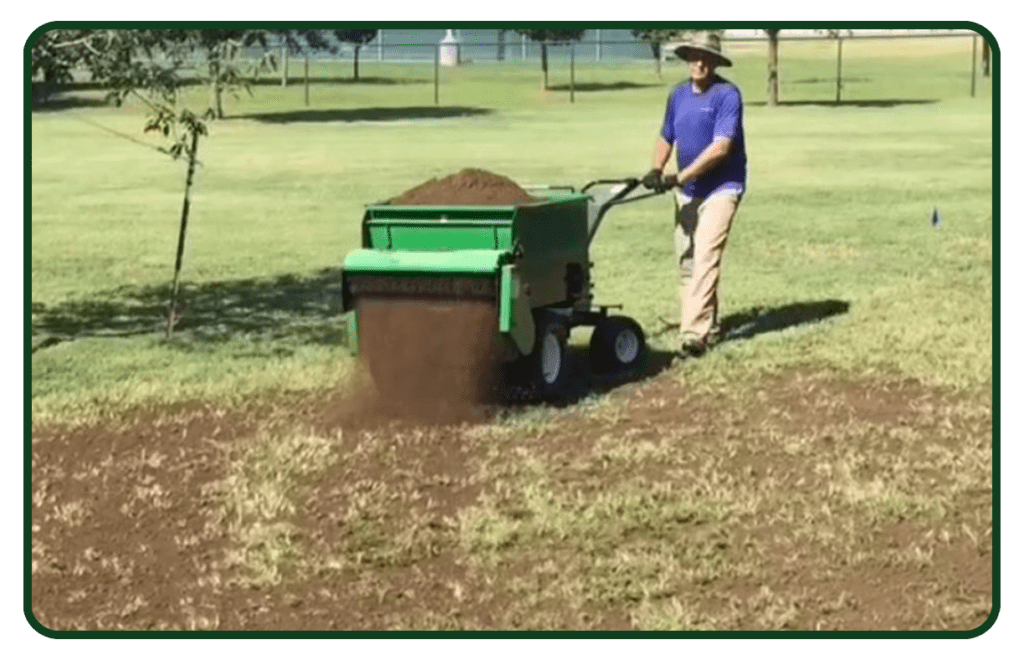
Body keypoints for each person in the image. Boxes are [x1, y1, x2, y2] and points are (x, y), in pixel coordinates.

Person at [642, 31, 747, 360]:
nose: (699, 62)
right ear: (687, 58)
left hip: (722, 188)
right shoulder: (678, 96)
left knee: (705, 256)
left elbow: (721, 148)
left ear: (715, 61)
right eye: (693, 55)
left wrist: (681, 175)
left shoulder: (727, 95)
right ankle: (705, 324)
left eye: (706, 57)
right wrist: (656, 169)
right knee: (687, 261)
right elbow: (665, 135)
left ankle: (694, 335)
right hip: (686, 192)